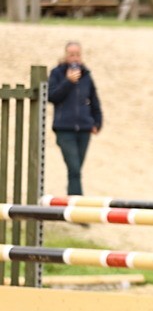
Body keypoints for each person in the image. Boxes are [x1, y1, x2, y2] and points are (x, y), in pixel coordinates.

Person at [48, 41, 102, 197]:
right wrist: (68, 82)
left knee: (76, 169)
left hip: (84, 129)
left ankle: (72, 202)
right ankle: (77, 204)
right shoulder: (57, 73)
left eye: (77, 54)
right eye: (71, 54)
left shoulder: (86, 75)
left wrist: (97, 123)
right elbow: (52, 96)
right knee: (74, 169)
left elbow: (94, 100)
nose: (75, 58)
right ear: (65, 55)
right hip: (64, 129)